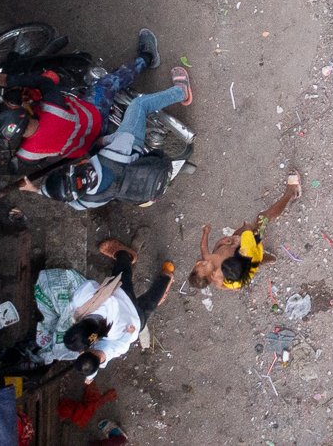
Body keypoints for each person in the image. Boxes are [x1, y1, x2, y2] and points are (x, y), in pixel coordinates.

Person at [30, 66, 193, 211]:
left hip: (133, 183)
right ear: (73, 168)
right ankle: (181, 92)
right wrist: (103, 142)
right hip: (130, 151)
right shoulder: (109, 158)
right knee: (139, 106)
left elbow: (62, 197)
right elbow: (119, 139)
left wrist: (36, 190)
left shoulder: (86, 202)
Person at [0, 30, 161, 168]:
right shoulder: (51, 106)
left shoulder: (26, 155)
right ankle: (147, 57)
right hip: (94, 118)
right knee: (107, 84)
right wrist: (9, 80)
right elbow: (44, 82)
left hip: (88, 146)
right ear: (20, 111)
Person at [27, 245, 172, 386]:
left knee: (150, 302)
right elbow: (91, 285)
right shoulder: (80, 301)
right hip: (120, 294)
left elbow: (122, 342)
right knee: (122, 273)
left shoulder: (112, 339)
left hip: (135, 319)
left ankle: (166, 276)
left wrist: (90, 376)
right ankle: (124, 255)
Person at [191, 172, 302, 290]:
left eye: (198, 264)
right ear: (211, 276)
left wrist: (207, 233)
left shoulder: (207, 259)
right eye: (203, 265)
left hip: (237, 242)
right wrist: (246, 231)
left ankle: (271, 259)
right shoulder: (221, 278)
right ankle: (291, 193)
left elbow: (205, 247)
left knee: (259, 259)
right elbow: (233, 286)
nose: (200, 262)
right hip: (248, 249)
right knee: (263, 218)